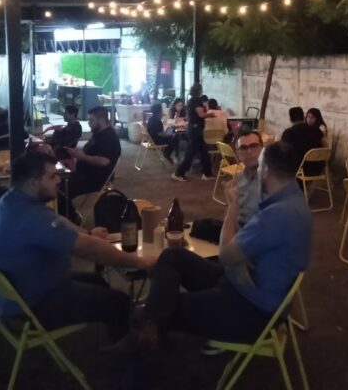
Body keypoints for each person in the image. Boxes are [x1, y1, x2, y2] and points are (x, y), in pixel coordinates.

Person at [134, 141, 312, 347]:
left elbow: (225, 255)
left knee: (167, 305)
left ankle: (146, 338)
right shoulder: (295, 200)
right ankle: (151, 329)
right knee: (171, 256)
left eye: (260, 164)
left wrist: (232, 205)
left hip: (251, 309)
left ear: (266, 170)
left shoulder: (277, 214)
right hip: (243, 281)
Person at [0, 152, 152, 342]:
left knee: (98, 281)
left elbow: (58, 220)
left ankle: (115, 334)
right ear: (33, 183)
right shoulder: (31, 218)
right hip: (33, 305)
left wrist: (87, 233)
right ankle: (127, 351)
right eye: (52, 176)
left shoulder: (12, 200)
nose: (58, 180)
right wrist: (140, 262)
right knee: (120, 302)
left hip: (19, 292)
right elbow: (90, 250)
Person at [62, 106, 122, 214]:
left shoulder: (109, 137)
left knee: (61, 189)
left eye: (91, 120)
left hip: (96, 179)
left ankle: (70, 218)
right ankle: (68, 215)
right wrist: (78, 153)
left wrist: (82, 157)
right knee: (58, 181)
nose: (88, 123)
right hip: (86, 174)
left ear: (101, 120)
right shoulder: (98, 134)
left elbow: (104, 161)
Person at [172, 83, 213, 182]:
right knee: (191, 153)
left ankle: (206, 173)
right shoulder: (197, 100)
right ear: (199, 90)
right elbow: (201, 114)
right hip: (196, 129)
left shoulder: (191, 100)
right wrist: (210, 114)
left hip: (193, 129)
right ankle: (179, 173)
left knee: (202, 152)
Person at [228, 128, 265, 226]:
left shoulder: (272, 179)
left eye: (254, 146)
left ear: (262, 149)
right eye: (243, 148)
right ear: (237, 153)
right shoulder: (238, 179)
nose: (249, 151)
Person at [281, 106, 324, 176]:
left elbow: (283, 152)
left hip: (299, 169)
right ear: (304, 118)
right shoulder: (317, 130)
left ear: (290, 120)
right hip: (317, 168)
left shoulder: (289, 132)